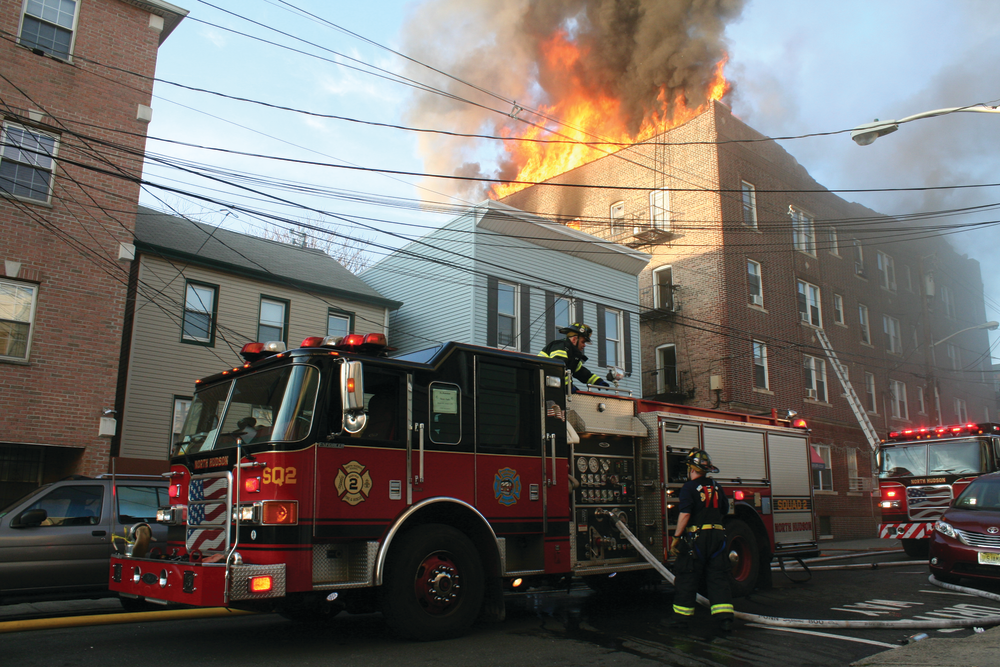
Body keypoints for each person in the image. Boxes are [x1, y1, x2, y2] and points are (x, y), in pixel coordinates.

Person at [667, 449, 734, 634]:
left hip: (696, 539)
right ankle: (725, 619)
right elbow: (724, 509)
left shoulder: (688, 488)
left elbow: (685, 514)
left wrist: (677, 537)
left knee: (687, 577)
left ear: (691, 468)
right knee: (718, 578)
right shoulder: (717, 486)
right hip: (718, 538)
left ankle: (680, 621)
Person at [538, 323, 609, 390]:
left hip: (550, 384)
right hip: (540, 383)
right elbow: (558, 368)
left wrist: (598, 381)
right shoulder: (560, 346)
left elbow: (581, 373)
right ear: (575, 339)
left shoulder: (573, 355)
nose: (584, 345)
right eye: (583, 342)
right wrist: (568, 386)